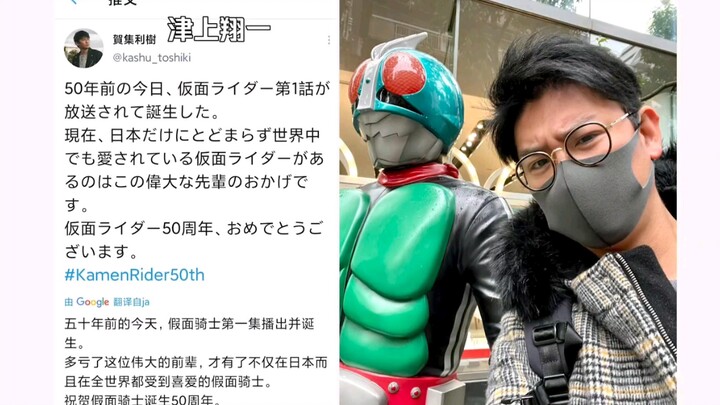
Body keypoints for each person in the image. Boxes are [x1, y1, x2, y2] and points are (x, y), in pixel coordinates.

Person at [484, 34, 677, 404]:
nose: (567, 174)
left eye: (586, 138)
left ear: (649, 134)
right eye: (538, 163)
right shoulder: (531, 330)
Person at [339, 32, 511, 404]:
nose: (375, 130)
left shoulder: (476, 209)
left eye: (387, 117)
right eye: (368, 121)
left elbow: (514, 342)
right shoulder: (351, 202)